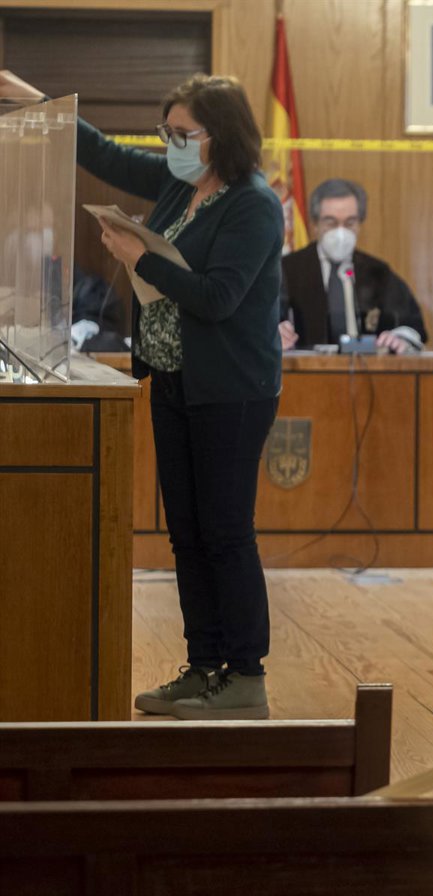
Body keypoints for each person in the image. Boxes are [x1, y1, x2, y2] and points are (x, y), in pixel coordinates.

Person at [0, 69, 284, 720]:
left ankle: (246, 676)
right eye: (167, 132)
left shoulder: (252, 204)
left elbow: (218, 298)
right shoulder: (179, 185)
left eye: (183, 134)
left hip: (231, 388)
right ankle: (202, 666)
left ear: (223, 135)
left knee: (225, 532)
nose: (171, 144)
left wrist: (140, 257)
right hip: (175, 378)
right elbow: (106, 155)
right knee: (185, 532)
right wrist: (41, 103)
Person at [279, 178, 426, 353]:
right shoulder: (287, 269)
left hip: (366, 367)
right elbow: (266, 321)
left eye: (350, 223)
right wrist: (276, 333)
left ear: (359, 224)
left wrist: (399, 338)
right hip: (306, 368)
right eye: (331, 223)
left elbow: (411, 324)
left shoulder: (377, 272)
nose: (341, 232)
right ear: (315, 225)